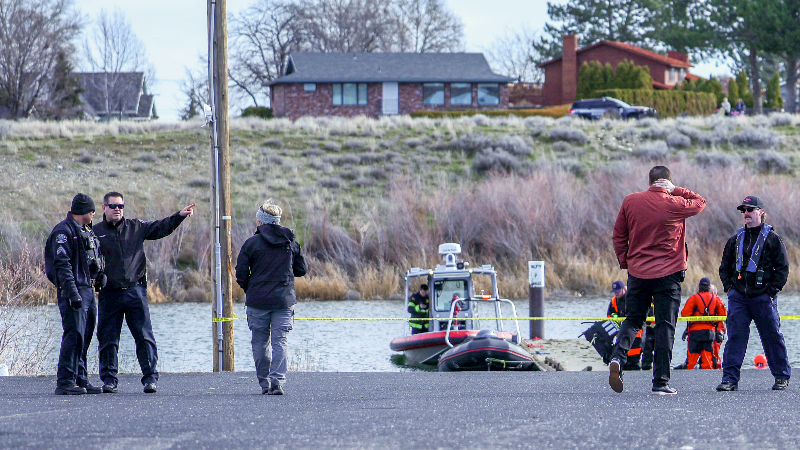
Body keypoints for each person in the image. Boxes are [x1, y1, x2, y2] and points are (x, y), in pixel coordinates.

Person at [609, 165, 706, 395]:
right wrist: (676, 189)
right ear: (667, 182)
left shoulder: (631, 201)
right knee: (665, 326)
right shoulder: (674, 203)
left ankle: (617, 358)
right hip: (668, 275)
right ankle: (660, 382)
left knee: (633, 320)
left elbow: (619, 235)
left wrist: (626, 262)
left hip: (638, 273)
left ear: (649, 181)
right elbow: (700, 202)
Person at [94, 192, 195, 394]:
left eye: (121, 206)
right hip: (109, 293)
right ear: (104, 208)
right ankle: (109, 380)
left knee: (144, 337)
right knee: (108, 339)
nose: (117, 209)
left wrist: (179, 216)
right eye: (113, 206)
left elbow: (160, 227)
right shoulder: (96, 232)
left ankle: (150, 379)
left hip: (134, 291)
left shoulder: (135, 227)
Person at [717, 196, 790, 392]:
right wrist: (730, 289)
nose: (746, 213)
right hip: (739, 297)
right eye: (744, 210)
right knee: (735, 338)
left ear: (761, 212)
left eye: (750, 209)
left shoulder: (773, 240)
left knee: (772, 336)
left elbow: (782, 269)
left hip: (763, 297)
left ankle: (781, 377)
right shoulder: (735, 240)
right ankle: (729, 380)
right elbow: (724, 268)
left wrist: (771, 291)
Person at [235, 201, 307, 395]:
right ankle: (277, 382)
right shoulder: (290, 241)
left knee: (259, 343)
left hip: (257, 301)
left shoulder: (252, 243)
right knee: (280, 341)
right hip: (283, 301)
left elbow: (240, 273)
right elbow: (302, 269)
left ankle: (265, 384)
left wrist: (250, 289)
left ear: (260, 221)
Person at [44, 193, 106, 395]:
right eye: (92, 211)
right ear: (84, 211)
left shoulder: (85, 230)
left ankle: (81, 378)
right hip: (74, 291)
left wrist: (99, 276)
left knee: (85, 336)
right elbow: (62, 265)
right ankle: (65, 381)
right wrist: (72, 293)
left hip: (87, 289)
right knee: (74, 335)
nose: (94, 214)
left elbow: (91, 258)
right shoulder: (63, 232)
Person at [681, 278, 727, 370]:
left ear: (699, 286)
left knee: (691, 361)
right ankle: (706, 377)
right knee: (707, 361)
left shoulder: (694, 298)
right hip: (709, 333)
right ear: (709, 287)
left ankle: (688, 376)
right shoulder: (715, 298)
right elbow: (723, 314)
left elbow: (685, 313)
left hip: (695, 333)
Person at [607, 281, 643, 371]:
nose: (616, 293)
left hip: (636, 331)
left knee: (634, 357)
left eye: (618, 291)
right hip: (621, 332)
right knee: (623, 356)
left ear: (624, 289)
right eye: (615, 291)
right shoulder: (614, 301)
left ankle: (636, 369)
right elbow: (609, 316)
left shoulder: (632, 298)